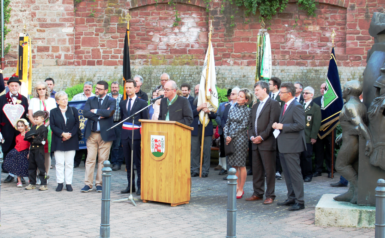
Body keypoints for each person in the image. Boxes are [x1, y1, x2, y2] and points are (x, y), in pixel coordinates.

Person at [272, 82, 306, 211]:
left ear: (289, 94)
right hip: (284, 144)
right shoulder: (285, 105)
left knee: (295, 174)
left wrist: (282, 126)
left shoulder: (296, 106)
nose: (279, 94)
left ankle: (300, 200)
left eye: (282, 92)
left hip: (292, 145)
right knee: (287, 173)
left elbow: (300, 125)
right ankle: (291, 197)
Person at [246, 81, 280, 205]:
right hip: (255, 143)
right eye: (254, 90)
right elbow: (250, 124)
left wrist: (261, 137)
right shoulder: (255, 106)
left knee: (269, 170)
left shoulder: (274, 104)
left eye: (257, 90)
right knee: (257, 169)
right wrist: (252, 137)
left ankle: (270, 195)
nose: (255, 92)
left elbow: (272, 123)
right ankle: (257, 193)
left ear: (265, 90)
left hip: (267, 143)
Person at [81, 81, 116, 193]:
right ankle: (88, 184)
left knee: (102, 160)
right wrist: (99, 116)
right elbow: (85, 113)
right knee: (90, 159)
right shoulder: (91, 99)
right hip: (92, 134)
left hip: (105, 135)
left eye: (100, 89)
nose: (97, 90)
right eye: (96, 88)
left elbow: (110, 113)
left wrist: (95, 111)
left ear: (106, 90)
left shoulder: (111, 100)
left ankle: (99, 184)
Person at [120, 79, 149, 195]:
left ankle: (140, 186)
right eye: (126, 88)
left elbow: (145, 120)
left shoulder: (142, 103)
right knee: (128, 162)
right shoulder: (122, 103)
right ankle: (130, 186)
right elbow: (123, 119)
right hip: (125, 135)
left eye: (130, 88)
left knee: (138, 162)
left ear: (135, 88)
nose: (128, 90)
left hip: (137, 136)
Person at [224, 88, 252, 199]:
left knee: (241, 165)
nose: (238, 98)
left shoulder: (247, 111)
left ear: (246, 100)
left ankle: (241, 188)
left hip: (240, 139)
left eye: (241, 96)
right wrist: (226, 135)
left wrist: (231, 136)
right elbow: (227, 123)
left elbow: (243, 126)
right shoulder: (232, 108)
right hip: (230, 138)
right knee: (233, 164)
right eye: (238, 95)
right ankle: (235, 187)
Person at [0, 76, 29, 183]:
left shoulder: (24, 99)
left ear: (19, 87)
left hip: (20, 131)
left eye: (16, 85)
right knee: (8, 151)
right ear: (8, 86)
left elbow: (26, 117)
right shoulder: (2, 99)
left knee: (21, 153)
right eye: (11, 85)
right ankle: (10, 174)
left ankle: (19, 175)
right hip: (6, 130)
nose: (14, 87)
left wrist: (25, 131)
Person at [50, 91, 79, 192]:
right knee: (59, 163)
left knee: (69, 163)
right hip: (58, 140)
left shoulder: (73, 110)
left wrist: (69, 135)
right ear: (57, 101)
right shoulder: (53, 112)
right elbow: (52, 125)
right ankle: (60, 183)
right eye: (62, 99)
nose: (65, 101)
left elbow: (76, 124)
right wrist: (62, 134)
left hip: (71, 139)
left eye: (66, 99)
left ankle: (68, 183)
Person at [28, 81, 56, 179]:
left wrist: (44, 126)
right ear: (36, 90)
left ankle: (45, 175)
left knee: (46, 152)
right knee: (36, 152)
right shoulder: (33, 100)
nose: (41, 91)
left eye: (43, 89)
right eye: (39, 89)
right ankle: (36, 175)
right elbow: (30, 115)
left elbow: (53, 115)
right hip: (35, 128)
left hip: (48, 129)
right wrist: (37, 125)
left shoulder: (51, 101)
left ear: (46, 89)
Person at [190, 84, 217, 177]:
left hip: (206, 129)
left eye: (199, 89)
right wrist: (199, 108)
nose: (197, 91)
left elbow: (214, 115)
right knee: (194, 151)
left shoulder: (209, 102)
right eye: (196, 89)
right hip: (195, 129)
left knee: (206, 151)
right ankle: (194, 169)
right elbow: (190, 114)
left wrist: (208, 111)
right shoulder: (190, 101)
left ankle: (205, 170)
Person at [300, 86, 321, 182]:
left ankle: (308, 174)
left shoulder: (315, 107)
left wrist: (313, 136)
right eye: (303, 93)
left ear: (312, 95)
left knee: (307, 156)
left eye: (306, 93)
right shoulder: (299, 105)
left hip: (307, 136)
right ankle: (300, 174)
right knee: (299, 156)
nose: (304, 94)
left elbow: (316, 123)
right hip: (298, 136)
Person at [72, 81, 95, 168]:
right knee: (80, 141)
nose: (87, 88)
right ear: (83, 88)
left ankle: (87, 162)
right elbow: (72, 108)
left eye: (89, 87)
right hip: (80, 123)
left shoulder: (95, 97)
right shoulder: (76, 97)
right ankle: (76, 162)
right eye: (85, 87)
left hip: (91, 123)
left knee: (89, 143)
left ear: (92, 88)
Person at [25, 111, 49, 191]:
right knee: (31, 167)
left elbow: (43, 141)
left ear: (42, 119)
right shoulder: (33, 127)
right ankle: (32, 183)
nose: (35, 120)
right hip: (32, 149)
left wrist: (34, 138)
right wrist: (32, 138)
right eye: (34, 119)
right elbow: (28, 138)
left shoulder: (44, 128)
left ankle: (43, 184)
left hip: (39, 150)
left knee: (41, 167)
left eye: (37, 119)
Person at [2, 119, 30, 188]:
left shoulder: (28, 135)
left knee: (27, 166)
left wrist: (29, 152)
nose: (20, 127)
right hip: (17, 152)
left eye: (22, 126)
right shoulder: (17, 136)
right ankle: (19, 181)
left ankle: (30, 180)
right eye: (18, 126)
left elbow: (30, 144)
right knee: (17, 167)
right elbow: (17, 144)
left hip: (25, 152)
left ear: (25, 126)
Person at [313, 82, 333, 178]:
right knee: (318, 151)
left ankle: (330, 170)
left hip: (330, 130)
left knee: (330, 151)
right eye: (321, 88)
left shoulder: (333, 101)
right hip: (318, 130)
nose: (322, 90)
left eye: (324, 88)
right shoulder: (315, 100)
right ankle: (318, 170)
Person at [107, 82, 124, 171]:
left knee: (117, 144)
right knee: (107, 144)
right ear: (110, 88)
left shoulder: (122, 97)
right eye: (113, 87)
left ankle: (116, 163)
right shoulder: (107, 97)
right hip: (108, 123)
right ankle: (108, 161)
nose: (114, 89)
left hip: (118, 123)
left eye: (116, 87)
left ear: (119, 88)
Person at [269, 77, 283, 180]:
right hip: (268, 126)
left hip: (278, 127)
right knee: (270, 149)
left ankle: (278, 170)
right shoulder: (268, 96)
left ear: (275, 86)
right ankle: (270, 170)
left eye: (270, 84)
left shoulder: (281, 96)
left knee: (278, 150)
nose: (268, 86)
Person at [214, 88, 232, 174]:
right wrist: (222, 125)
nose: (230, 97)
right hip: (222, 130)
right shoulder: (222, 105)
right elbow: (217, 116)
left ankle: (231, 168)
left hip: (232, 131)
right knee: (223, 149)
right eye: (229, 96)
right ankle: (224, 167)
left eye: (231, 95)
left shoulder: (237, 105)